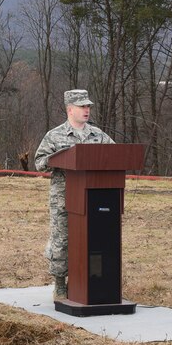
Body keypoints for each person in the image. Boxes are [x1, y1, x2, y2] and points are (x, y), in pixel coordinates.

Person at [34, 89, 114, 299]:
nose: (86, 110)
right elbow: (39, 163)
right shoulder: (54, 135)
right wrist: (59, 159)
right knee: (62, 240)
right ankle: (60, 283)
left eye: (88, 107)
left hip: (94, 197)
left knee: (93, 239)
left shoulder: (98, 135)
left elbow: (116, 156)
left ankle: (89, 280)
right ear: (70, 109)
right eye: (82, 107)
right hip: (63, 198)